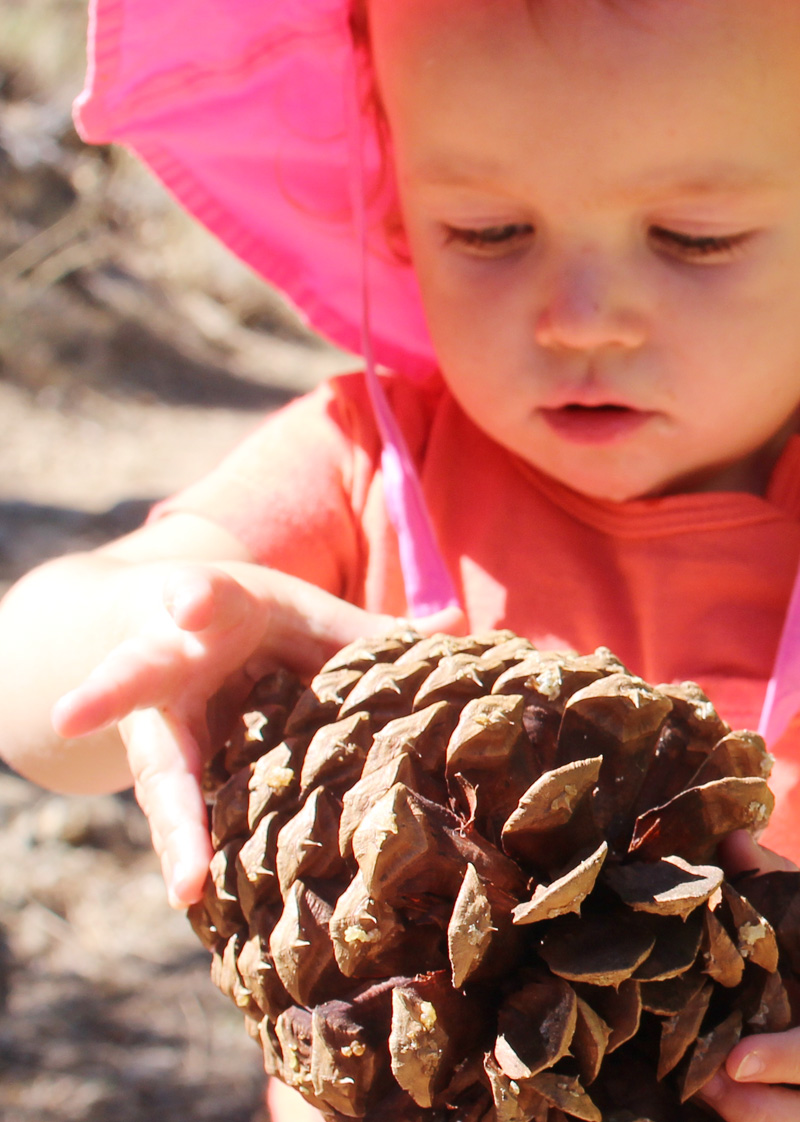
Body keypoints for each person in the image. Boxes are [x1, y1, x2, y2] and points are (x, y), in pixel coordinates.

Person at [2, 0, 800, 1117]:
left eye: (694, 237)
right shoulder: (369, 464)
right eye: (484, 230)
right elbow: (28, 667)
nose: (579, 317)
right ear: (394, 212)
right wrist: (151, 629)